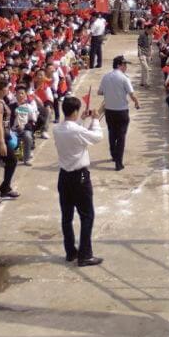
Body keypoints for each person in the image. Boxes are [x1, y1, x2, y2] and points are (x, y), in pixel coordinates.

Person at [53, 95, 103, 267]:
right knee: (87, 215)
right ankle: (85, 254)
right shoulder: (76, 131)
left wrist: (81, 120)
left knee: (66, 217)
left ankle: (70, 252)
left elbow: (74, 132)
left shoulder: (57, 129)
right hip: (79, 177)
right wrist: (95, 120)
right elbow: (97, 137)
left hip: (64, 176)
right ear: (75, 111)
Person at [98, 55, 140, 171]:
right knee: (121, 137)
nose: (126, 67)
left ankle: (113, 155)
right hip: (121, 111)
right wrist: (136, 103)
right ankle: (118, 162)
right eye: (124, 64)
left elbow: (100, 92)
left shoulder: (106, 77)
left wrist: (110, 93)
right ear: (119, 65)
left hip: (109, 111)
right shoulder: (124, 78)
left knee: (112, 133)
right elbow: (131, 94)